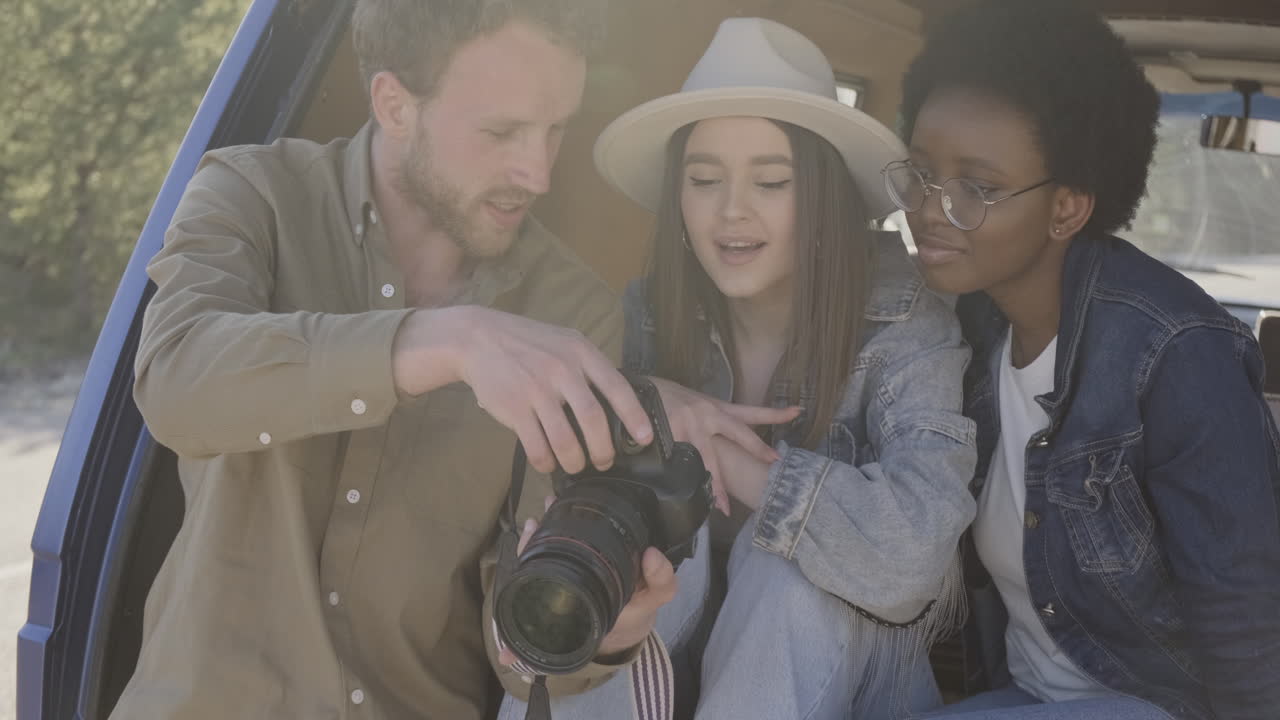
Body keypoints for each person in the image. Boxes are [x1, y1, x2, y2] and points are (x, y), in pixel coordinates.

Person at [113, 2, 795, 718]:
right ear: (395, 104)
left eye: (555, 129)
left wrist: (600, 637)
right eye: (502, 132)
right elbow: (175, 381)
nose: (537, 174)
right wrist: (442, 342)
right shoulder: (252, 196)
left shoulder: (573, 312)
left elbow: (517, 650)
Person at [499, 18, 978, 720]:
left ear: (823, 195)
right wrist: (652, 397)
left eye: (772, 181)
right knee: (624, 561)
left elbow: (914, 561)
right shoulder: (645, 317)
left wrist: (736, 461)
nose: (731, 211)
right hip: (668, 670)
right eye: (703, 179)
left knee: (785, 578)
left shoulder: (907, 320)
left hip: (835, 677)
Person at [887, 2, 1280, 718]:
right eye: (920, 172)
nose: (930, 206)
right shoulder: (961, 328)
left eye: (976, 186)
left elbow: (1244, 614)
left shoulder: (1174, 352)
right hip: (1022, 697)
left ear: (1067, 208)